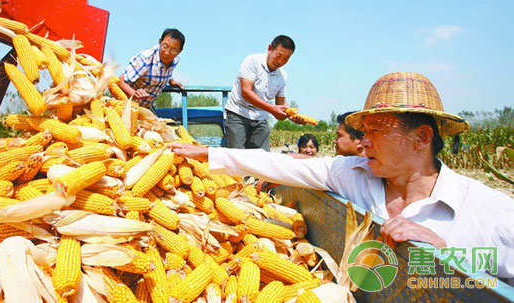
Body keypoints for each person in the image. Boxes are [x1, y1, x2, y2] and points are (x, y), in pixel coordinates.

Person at [170, 72, 514, 283]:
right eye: (363, 131)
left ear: (422, 138)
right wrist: (208, 154)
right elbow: (280, 165)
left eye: (375, 131)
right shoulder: (352, 174)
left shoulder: (492, 214)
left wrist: (449, 256)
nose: (363, 142)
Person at [224, 35, 299, 152]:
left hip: (260, 118)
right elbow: (246, 92)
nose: (280, 61)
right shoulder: (252, 61)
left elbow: (281, 104)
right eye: (278, 56)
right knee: (237, 158)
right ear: (269, 48)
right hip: (238, 114)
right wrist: (272, 109)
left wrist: (292, 116)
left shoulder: (282, 76)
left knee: (263, 159)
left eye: (286, 59)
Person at [118, 28, 185, 109]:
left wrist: (171, 81)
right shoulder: (146, 58)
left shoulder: (174, 60)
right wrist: (133, 93)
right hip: (126, 105)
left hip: (145, 108)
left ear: (179, 51)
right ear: (160, 42)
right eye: (165, 47)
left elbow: (164, 70)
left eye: (173, 50)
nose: (167, 53)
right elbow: (120, 81)